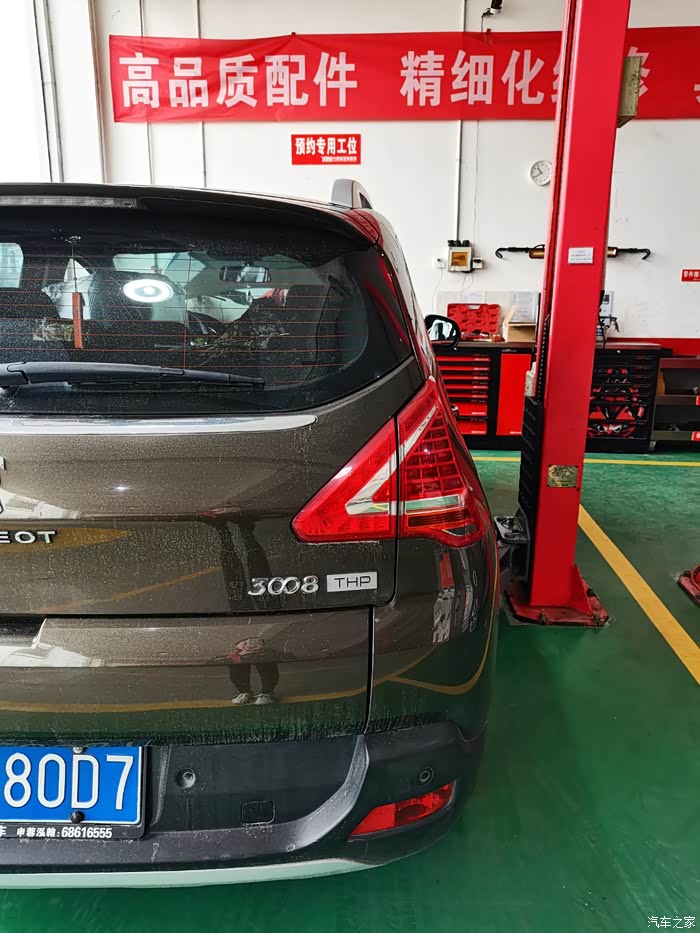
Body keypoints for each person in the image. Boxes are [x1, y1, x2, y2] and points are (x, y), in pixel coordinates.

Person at [227, 637, 279, 706]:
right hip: (240, 653)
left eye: (251, 643)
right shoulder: (235, 655)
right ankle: (244, 692)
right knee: (236, 664)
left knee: (266, 661)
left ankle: (266, 693)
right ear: (238, 646)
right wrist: (241, 655)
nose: (249, 645)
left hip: (264, 652)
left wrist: (263, 651)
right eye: (245, 643)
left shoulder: (267, 653)